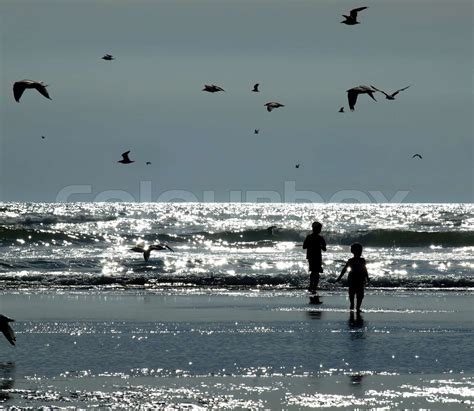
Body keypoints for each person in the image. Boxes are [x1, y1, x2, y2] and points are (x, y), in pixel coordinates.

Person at [336, 243, 370, 312]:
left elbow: (364, 269)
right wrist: (339, 277)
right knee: (357, 293)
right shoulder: (354, 260)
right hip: (357, 278)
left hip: (355, 278)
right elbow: (345, 269)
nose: (360, 252)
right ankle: (354, 305)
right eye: (359, 251)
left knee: (356, 293)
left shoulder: (359, 260)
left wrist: (367, 277)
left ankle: (355, 306)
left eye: (360, 251)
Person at [303, 221, 326, 293]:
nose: (320, 230)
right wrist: (319, 246)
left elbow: (304, 246)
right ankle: (314, 287)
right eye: (319, 228)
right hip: (316, 256)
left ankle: (311, 286)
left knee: (313, 271)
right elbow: (324, 249)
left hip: (311, 256)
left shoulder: (309, 237)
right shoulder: (320, 238)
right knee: (316, 272)